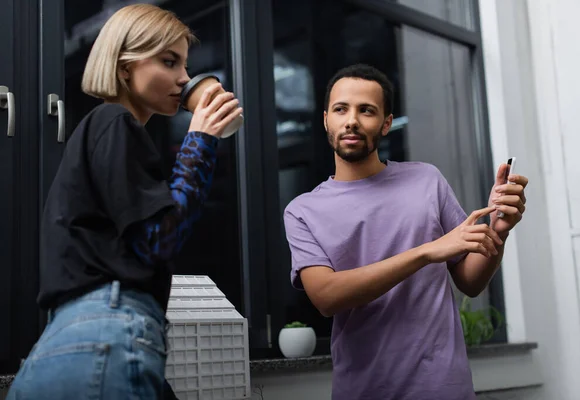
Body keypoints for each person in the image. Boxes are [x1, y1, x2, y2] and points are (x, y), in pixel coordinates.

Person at [6, 4, 242, 400]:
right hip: (108, 329)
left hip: (59, 344)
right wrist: (201, 139)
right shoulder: (115, 122)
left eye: (185, 64)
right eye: (169, 61)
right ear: (123, 66)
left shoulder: (102, 135)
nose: (184, 78)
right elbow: (160, 240)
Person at [283, 64, 528, 400]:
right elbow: (326, 297)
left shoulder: (427, 180)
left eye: (366, 110)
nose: (351, 120)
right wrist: (426, 251)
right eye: (341, 109)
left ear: (385, 124)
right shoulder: (302, 210)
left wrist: (499, 229)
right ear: (327, 119)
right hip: (365, 390)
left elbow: (471, 282)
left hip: (445, 387)